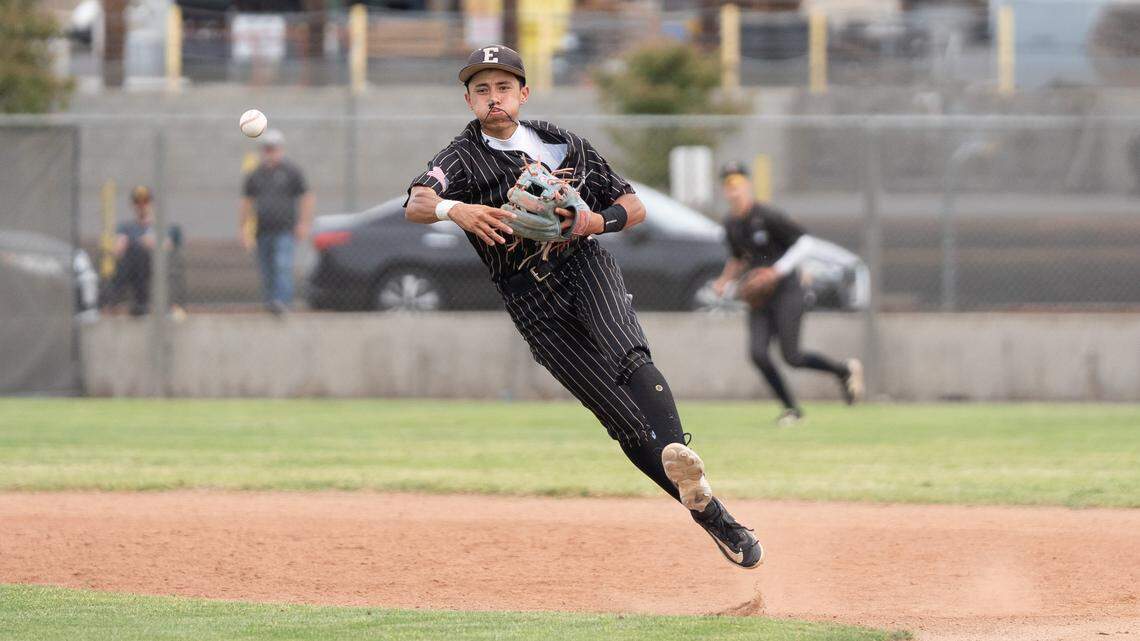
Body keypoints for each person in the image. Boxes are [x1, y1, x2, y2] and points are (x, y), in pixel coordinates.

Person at [404, 45, 762, 569]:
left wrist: (596, 221)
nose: (493, 98)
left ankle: (680, 455)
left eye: (503, 87)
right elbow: (416, 202)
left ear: (522, 93)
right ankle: (711, 512)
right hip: (528, 296)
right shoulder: (460, 158)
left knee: (627, 354)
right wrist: (454, 208)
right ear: (468, 100)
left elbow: (632, 206)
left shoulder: (561, 142)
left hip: (583, 263)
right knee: (619, 418)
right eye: (481, 90)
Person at [712, 162, 864, 427]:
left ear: (747, 185)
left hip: (787, 291)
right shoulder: (731, 224)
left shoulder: (766, 215)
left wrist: (776, 271)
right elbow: (738, 258)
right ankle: (792, 409)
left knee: (792, 356)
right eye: (728, 186)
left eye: (737, 184)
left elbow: (805, 243)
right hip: (760, 296)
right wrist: (725, 280)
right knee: (758, 354)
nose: (733, 191)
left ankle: (844, 371)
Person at [240, 129, 313, 315]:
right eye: (267, 149)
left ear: (280, 150)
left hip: (284, 229)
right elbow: (246, 203)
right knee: (267, 270)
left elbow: (306, 197)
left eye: (273, 149)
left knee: (282, 266)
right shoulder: (255, 174)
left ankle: (282, 303)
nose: (270, 153)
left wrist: (304, 223)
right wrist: (243, 228)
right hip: (263, 230)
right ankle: (270, 303)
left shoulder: (291, 172)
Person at [101, 185, 182, 317]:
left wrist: (150, 243)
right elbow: (118, 248)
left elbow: (168, 245)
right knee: (133, 253)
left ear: (151, 203)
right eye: (137, 201)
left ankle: (135, 303)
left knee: (139, 251)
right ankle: (131, 304)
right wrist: (123, 245)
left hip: (155, 267)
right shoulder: (125, 227)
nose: (141, 205)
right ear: (133, 204)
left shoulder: (163, 227)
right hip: (132, 270)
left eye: (145, 201)